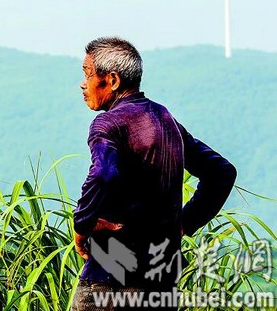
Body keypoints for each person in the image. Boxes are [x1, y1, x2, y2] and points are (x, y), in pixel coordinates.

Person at [71, 37, 237, 311]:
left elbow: (102, 174)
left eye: (88, 73)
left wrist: (82, 225)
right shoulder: (165, 119)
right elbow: (221, 172)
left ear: (112, 80)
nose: (82, 83)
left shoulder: (108, 123)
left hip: (110, 279)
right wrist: (185, 222)